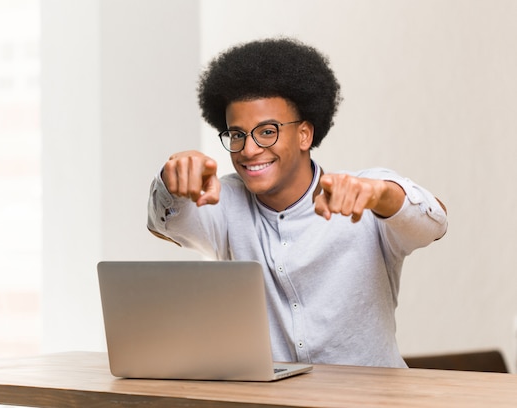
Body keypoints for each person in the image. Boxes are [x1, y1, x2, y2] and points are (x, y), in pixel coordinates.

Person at [147, 37, 447, 368]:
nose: (248, 150)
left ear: (304, 134)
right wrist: (174, 177)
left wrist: (381, 194)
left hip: (372, 401)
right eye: (237, 134)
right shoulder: (226, 200)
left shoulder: (363, 194)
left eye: (267, 131)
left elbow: (433, 224)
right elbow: (166, 220)